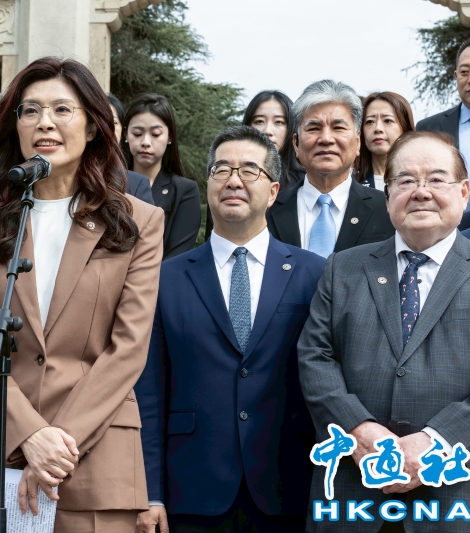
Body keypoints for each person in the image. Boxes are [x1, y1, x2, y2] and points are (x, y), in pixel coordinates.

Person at [0, 57, 164, 533]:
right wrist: (29, 434)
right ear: (15, 127)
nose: (44, 122)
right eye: (30, 110)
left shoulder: (138, 221)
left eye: (62, 109)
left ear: (92, 126)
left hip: (96, 456)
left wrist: (56, 444)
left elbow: (128, 349)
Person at [136, 126, 324, 533]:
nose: (234, 180)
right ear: (208, 184)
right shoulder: (166, 278)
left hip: (289, 487)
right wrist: (150, 493)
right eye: (221, 169)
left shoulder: (314, 273)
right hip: (191, 491)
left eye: (249, 170)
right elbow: (148, 392)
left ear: (273, 191)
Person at [299, 130, 470, 533]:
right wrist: (359, 432)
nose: (421, 192)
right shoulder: (343, 268)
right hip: (352, 495)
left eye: (436, 179)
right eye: (405, 180)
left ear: (464, 192)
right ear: (387, 198)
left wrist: (437, 441)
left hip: (459, 498)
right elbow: (315, 356)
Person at [266, 80, 394, 257]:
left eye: (338, 128)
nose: (326, 138)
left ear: (357, 142)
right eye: (314, 128)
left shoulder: (388, 210)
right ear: (296, 144)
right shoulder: (267, 210)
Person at [205, 90, 305, 240]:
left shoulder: (304, 183)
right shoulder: (222, 179)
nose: (267, 131)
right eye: (259, 121)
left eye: (279, 122)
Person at [123, 93, 201, 259]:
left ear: (169, 137)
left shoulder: (185, 191)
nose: (145, 142)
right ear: (126, 135)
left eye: (156, 134)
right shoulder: (109, 182)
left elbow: (177, 258)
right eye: (137, 133)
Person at [355, 91, 415, 191]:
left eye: (387, 120)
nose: (378, 128)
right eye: (370, 122)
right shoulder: (350, 185)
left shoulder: (422, 181)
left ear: (405, 129)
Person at [107, 93, 155, 205]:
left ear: (123, 132)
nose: (106, 127)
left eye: (113, 122)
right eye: (100, 120)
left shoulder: (136, 185)